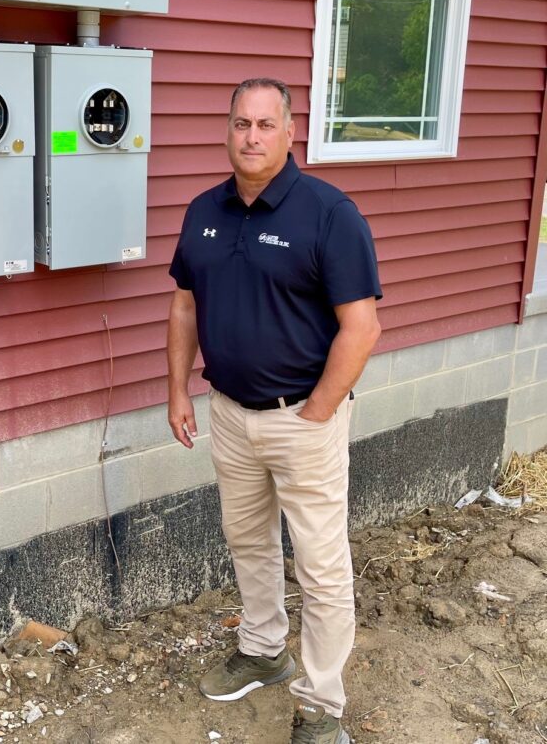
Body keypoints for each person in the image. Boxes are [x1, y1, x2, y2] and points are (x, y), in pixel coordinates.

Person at [166, 78, 381, 744]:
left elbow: (362, 326)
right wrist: (178, 389)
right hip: (229, 412)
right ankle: (264, 649)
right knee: (248, 539)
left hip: (302, 420)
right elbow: (184, 304)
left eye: (264, 124)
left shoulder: (328, 214)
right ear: (227, 131)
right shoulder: (204, 210)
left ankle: (320, 704)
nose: (251, 137)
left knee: (320, 564)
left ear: (291, 133)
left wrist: (318, 409)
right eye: (240, 124)